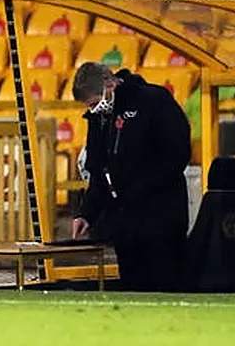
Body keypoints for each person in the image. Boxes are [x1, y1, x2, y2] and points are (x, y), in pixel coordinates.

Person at [70, 62, 191, 292]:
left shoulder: (155, 101)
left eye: (95, 102)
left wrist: (139, 188)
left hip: (161, 218)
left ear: (109, 85)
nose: (93, 109)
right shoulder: (100, 117)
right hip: (125, 224)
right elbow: (97, 170)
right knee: (132, 287)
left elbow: (177, 154)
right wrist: (87, 213)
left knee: (167, 286)